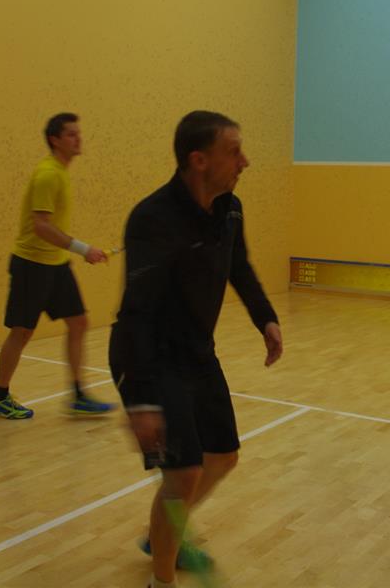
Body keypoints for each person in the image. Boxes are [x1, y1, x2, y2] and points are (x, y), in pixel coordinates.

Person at [109, 110, 284, 588]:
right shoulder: (152, 218)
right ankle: (161, 579)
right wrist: (141, 400)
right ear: (199, 160)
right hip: (148, 355)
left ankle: (164, 531)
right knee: (182, 474)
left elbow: (239, 266)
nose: (245, 161)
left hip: (196, 352)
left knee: (223, 457)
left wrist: (265, 317)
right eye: (234, 151)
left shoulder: (230, 208)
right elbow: (137, 312)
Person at [0, 112, 116, 419]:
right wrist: (84, 249)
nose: (78, 138)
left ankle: (78, 395)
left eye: (79, 133)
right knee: (22, 332)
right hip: (32, 265)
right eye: (71, 134)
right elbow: (41, 226)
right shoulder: (48, 175)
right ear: (55, 140)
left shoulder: (60, 172)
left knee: (78, 322)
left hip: (56, 264)